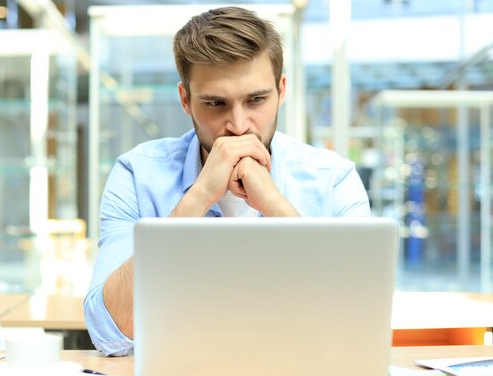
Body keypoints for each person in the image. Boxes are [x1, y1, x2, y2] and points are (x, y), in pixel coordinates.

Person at [84, 6, 370, 356]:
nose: (238, 124)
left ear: (281, 90)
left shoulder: (333, 178)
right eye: (216, 103)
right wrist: (199, 196)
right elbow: (109, 331)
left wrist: (275, 205)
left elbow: (357, 320)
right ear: (185, 100)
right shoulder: (137, 175)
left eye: (256, 100)